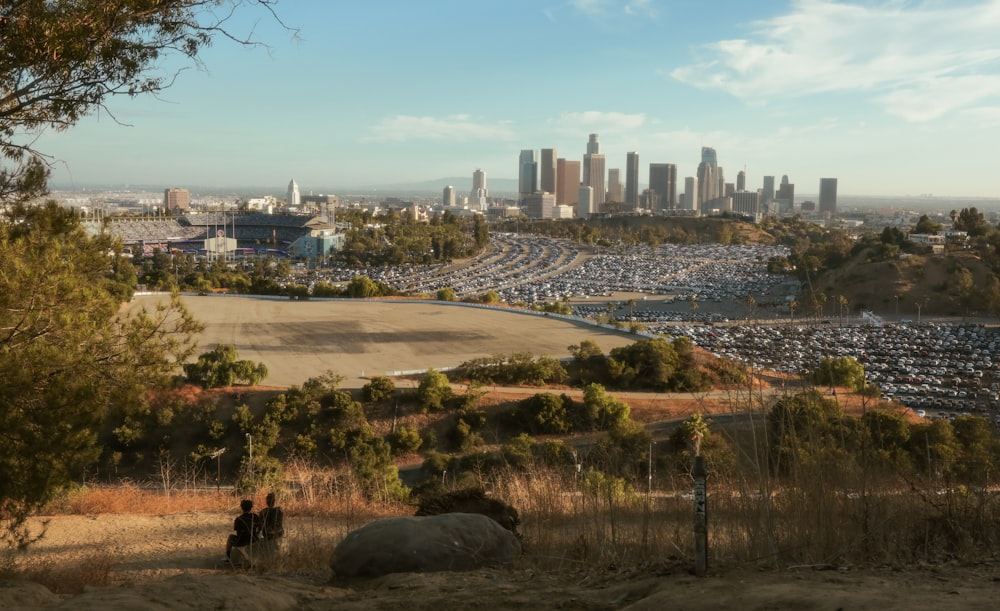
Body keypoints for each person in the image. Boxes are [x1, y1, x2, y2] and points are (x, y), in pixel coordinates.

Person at [223, 499, 261, 564]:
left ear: (242, 508)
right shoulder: (255, 517)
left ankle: (228, 557)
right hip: (254, 539)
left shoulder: (238, 519)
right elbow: (260, 528)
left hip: (242, 541)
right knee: (261, 536)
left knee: (231, 537)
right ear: (251, 507)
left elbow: (239, 532)